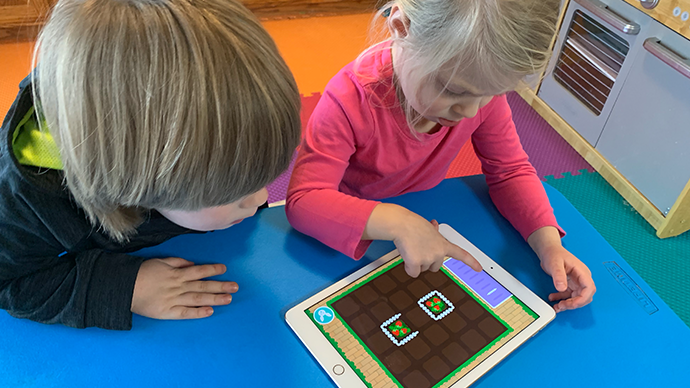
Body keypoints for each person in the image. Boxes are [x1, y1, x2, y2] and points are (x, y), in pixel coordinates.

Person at [0, 0, 301, 330]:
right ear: (131, 178)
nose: (260, 199)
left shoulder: (184, 152)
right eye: (226, 192)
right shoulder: (26, 200)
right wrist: (124, 287)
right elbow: (9, 283)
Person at [286, 0, 595, 312]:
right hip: (351, 227)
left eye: (493, 92)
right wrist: (401, 223)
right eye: (455, 92)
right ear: (401, 28)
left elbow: (510, 171)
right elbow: (304, 201)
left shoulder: (479, 95)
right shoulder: (349, 99)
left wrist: (548, 244)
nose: (471, 110)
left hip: (430, 209)